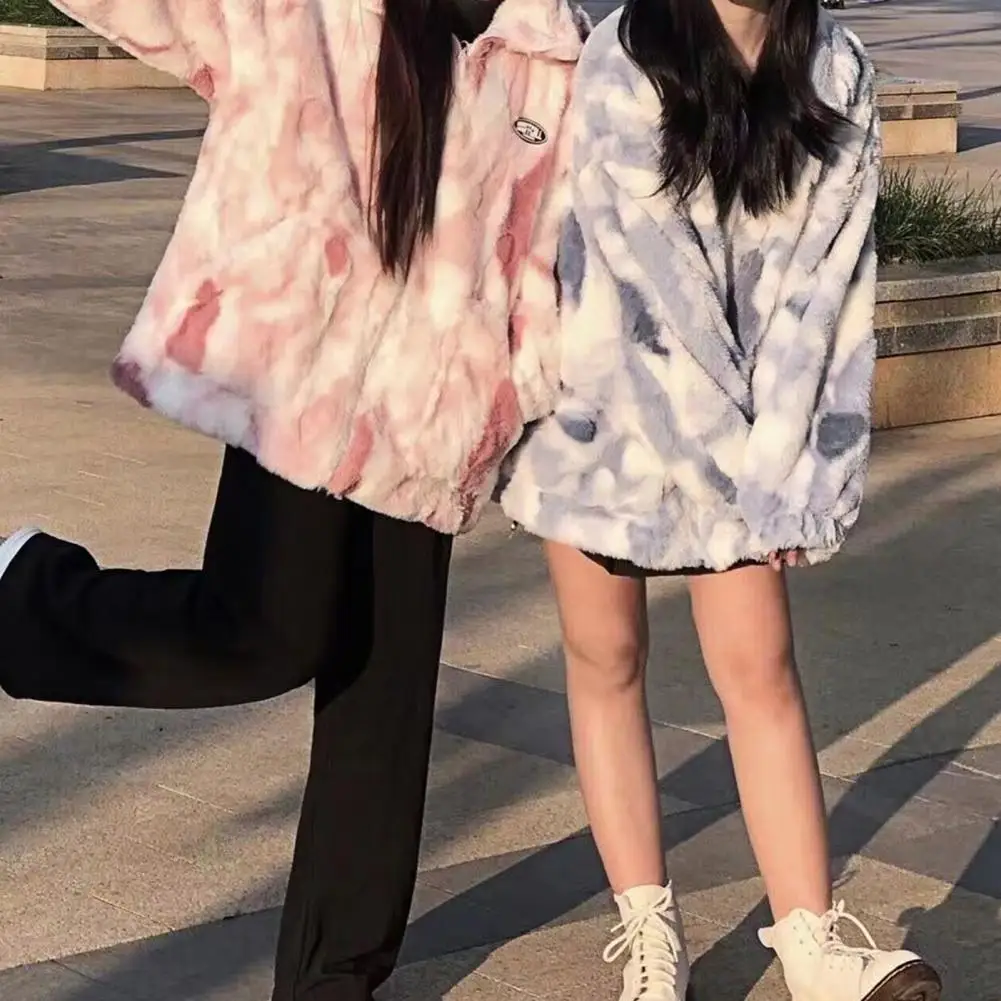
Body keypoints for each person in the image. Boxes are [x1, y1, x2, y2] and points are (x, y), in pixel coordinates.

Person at [0, 1, 587, 999]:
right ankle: (21, 598)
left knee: (383, 696)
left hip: (430, 417)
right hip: (301, 390)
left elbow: (553, 255)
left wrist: (507, 391)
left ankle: (335, 978)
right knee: (262, 633)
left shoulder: (554, 53)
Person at [500, 2, 943, 1000]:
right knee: (605, 658)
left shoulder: (835, 68)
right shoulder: (624, 54)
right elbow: (654, 292)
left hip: (742, 440)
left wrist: (791, 468)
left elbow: (828, 291)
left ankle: (810, 942)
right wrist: (749, 480)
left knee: (759, 667)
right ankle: (648, 934)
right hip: (601, 419)